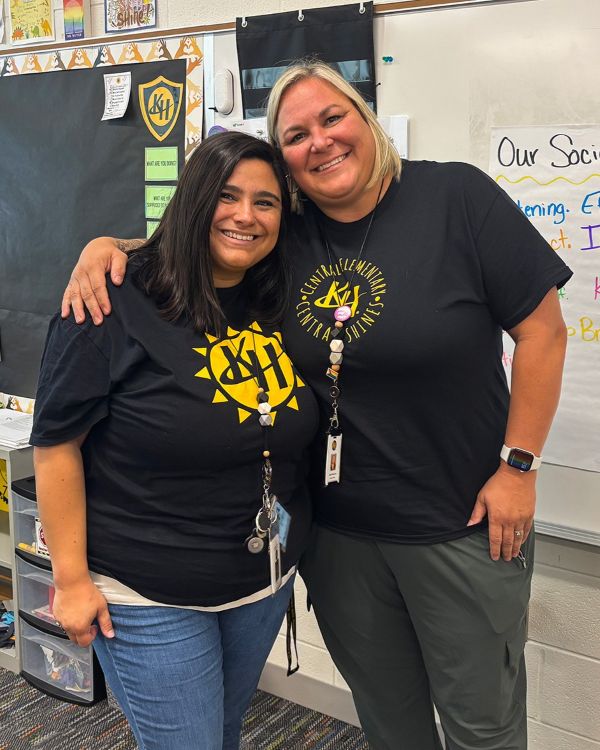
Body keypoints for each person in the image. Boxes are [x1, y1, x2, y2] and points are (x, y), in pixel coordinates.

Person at [61, 61, 571, 750]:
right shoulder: (286, 232)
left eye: (333, 118)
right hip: (337, 537)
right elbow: (202, 236)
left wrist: (519, 467)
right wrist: (107, 248)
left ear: (366, 118)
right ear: (286, 161)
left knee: (483, 727)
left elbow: (544, 333)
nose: (320, 141)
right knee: (388, 722)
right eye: (296, 135)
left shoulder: (456, 197)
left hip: (460, 523)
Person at [30, 131, 319, 750]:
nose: (246, 215)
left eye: (266, 202)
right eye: (226, 196)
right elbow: (56, 445)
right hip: (146, 590)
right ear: (193, 199)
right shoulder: (111, 298)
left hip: (261, 579)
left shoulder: (276, 293)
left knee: (222, 732)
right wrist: (71, 579)